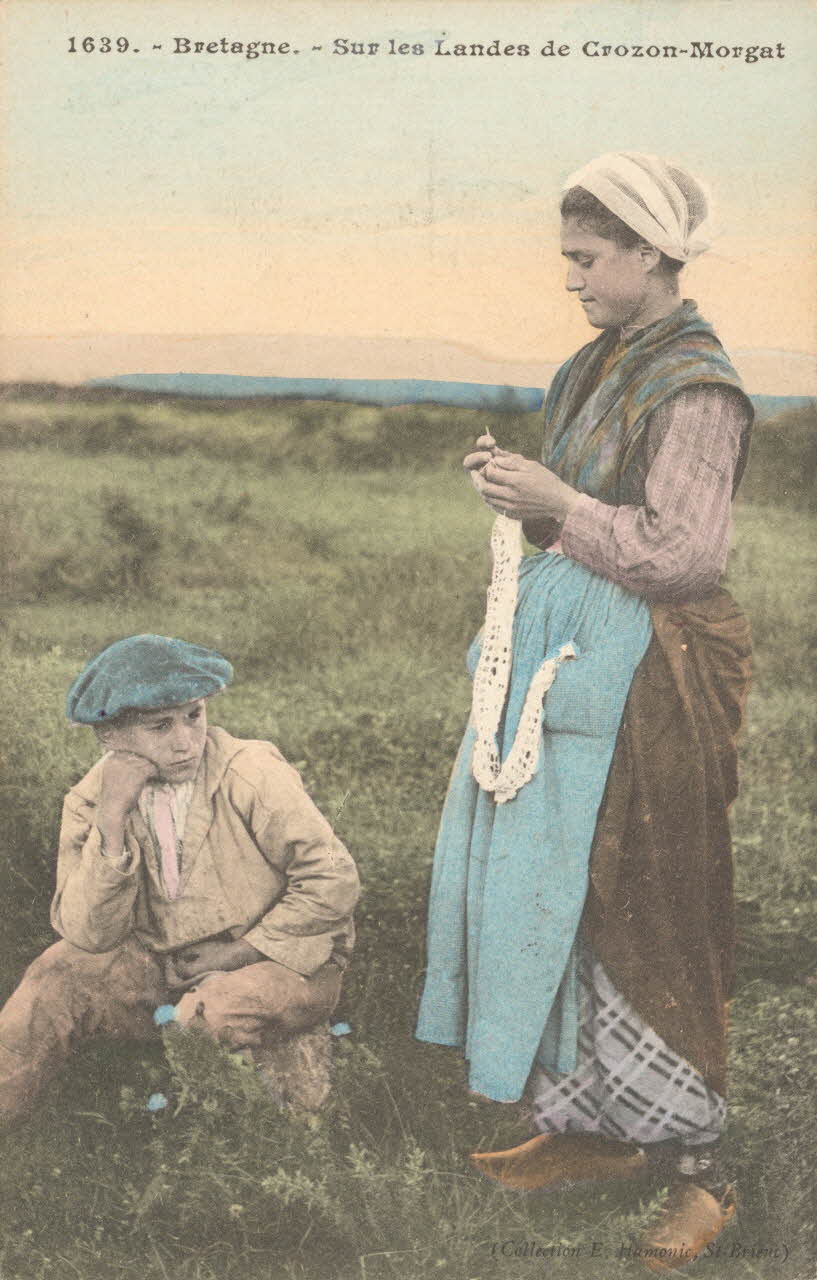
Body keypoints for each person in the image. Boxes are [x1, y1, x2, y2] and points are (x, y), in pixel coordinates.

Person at [415, 153, 753, 1270]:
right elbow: (583, 513)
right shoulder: (593, 366)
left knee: (647, 895)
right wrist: (521, 489)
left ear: (652, 253)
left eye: (587, 256)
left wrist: (557, 502)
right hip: (576, 659)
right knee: (556, 885)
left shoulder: (692, 385)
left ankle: (701, 1174)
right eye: (568, 255)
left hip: (654, 677)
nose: (571, 277)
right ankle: (592, 1128)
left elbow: (682, 552)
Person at [0, 634, 360, 1120]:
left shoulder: (249, 771)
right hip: (165, 963)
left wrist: (239, 950)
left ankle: (217, 1132)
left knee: (208, 1016)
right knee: (53, 977)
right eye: (159, 726)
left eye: (194, 715)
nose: (186, 741)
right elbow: (89, 933)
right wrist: (111, 824)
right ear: (112, 737)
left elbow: (332, 880)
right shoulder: (90, 801)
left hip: (281, 959)